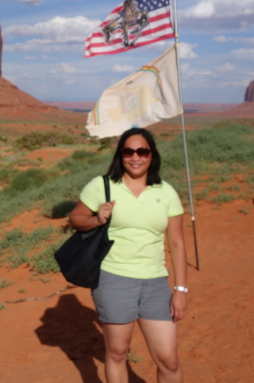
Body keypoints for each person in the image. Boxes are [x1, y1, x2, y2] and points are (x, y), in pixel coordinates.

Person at [69, 127, 187, 383]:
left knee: (168, 359)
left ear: (152, 155)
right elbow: (76, 219)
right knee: (118, 352)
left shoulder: (166, 192)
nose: (136, 157)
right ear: (120, 155)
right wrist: (97, 218)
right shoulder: (103, 186)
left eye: (142, 151)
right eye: (129, 151)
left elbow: (177, 243)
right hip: (113, 279)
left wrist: (180, 290)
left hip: (156, 282)